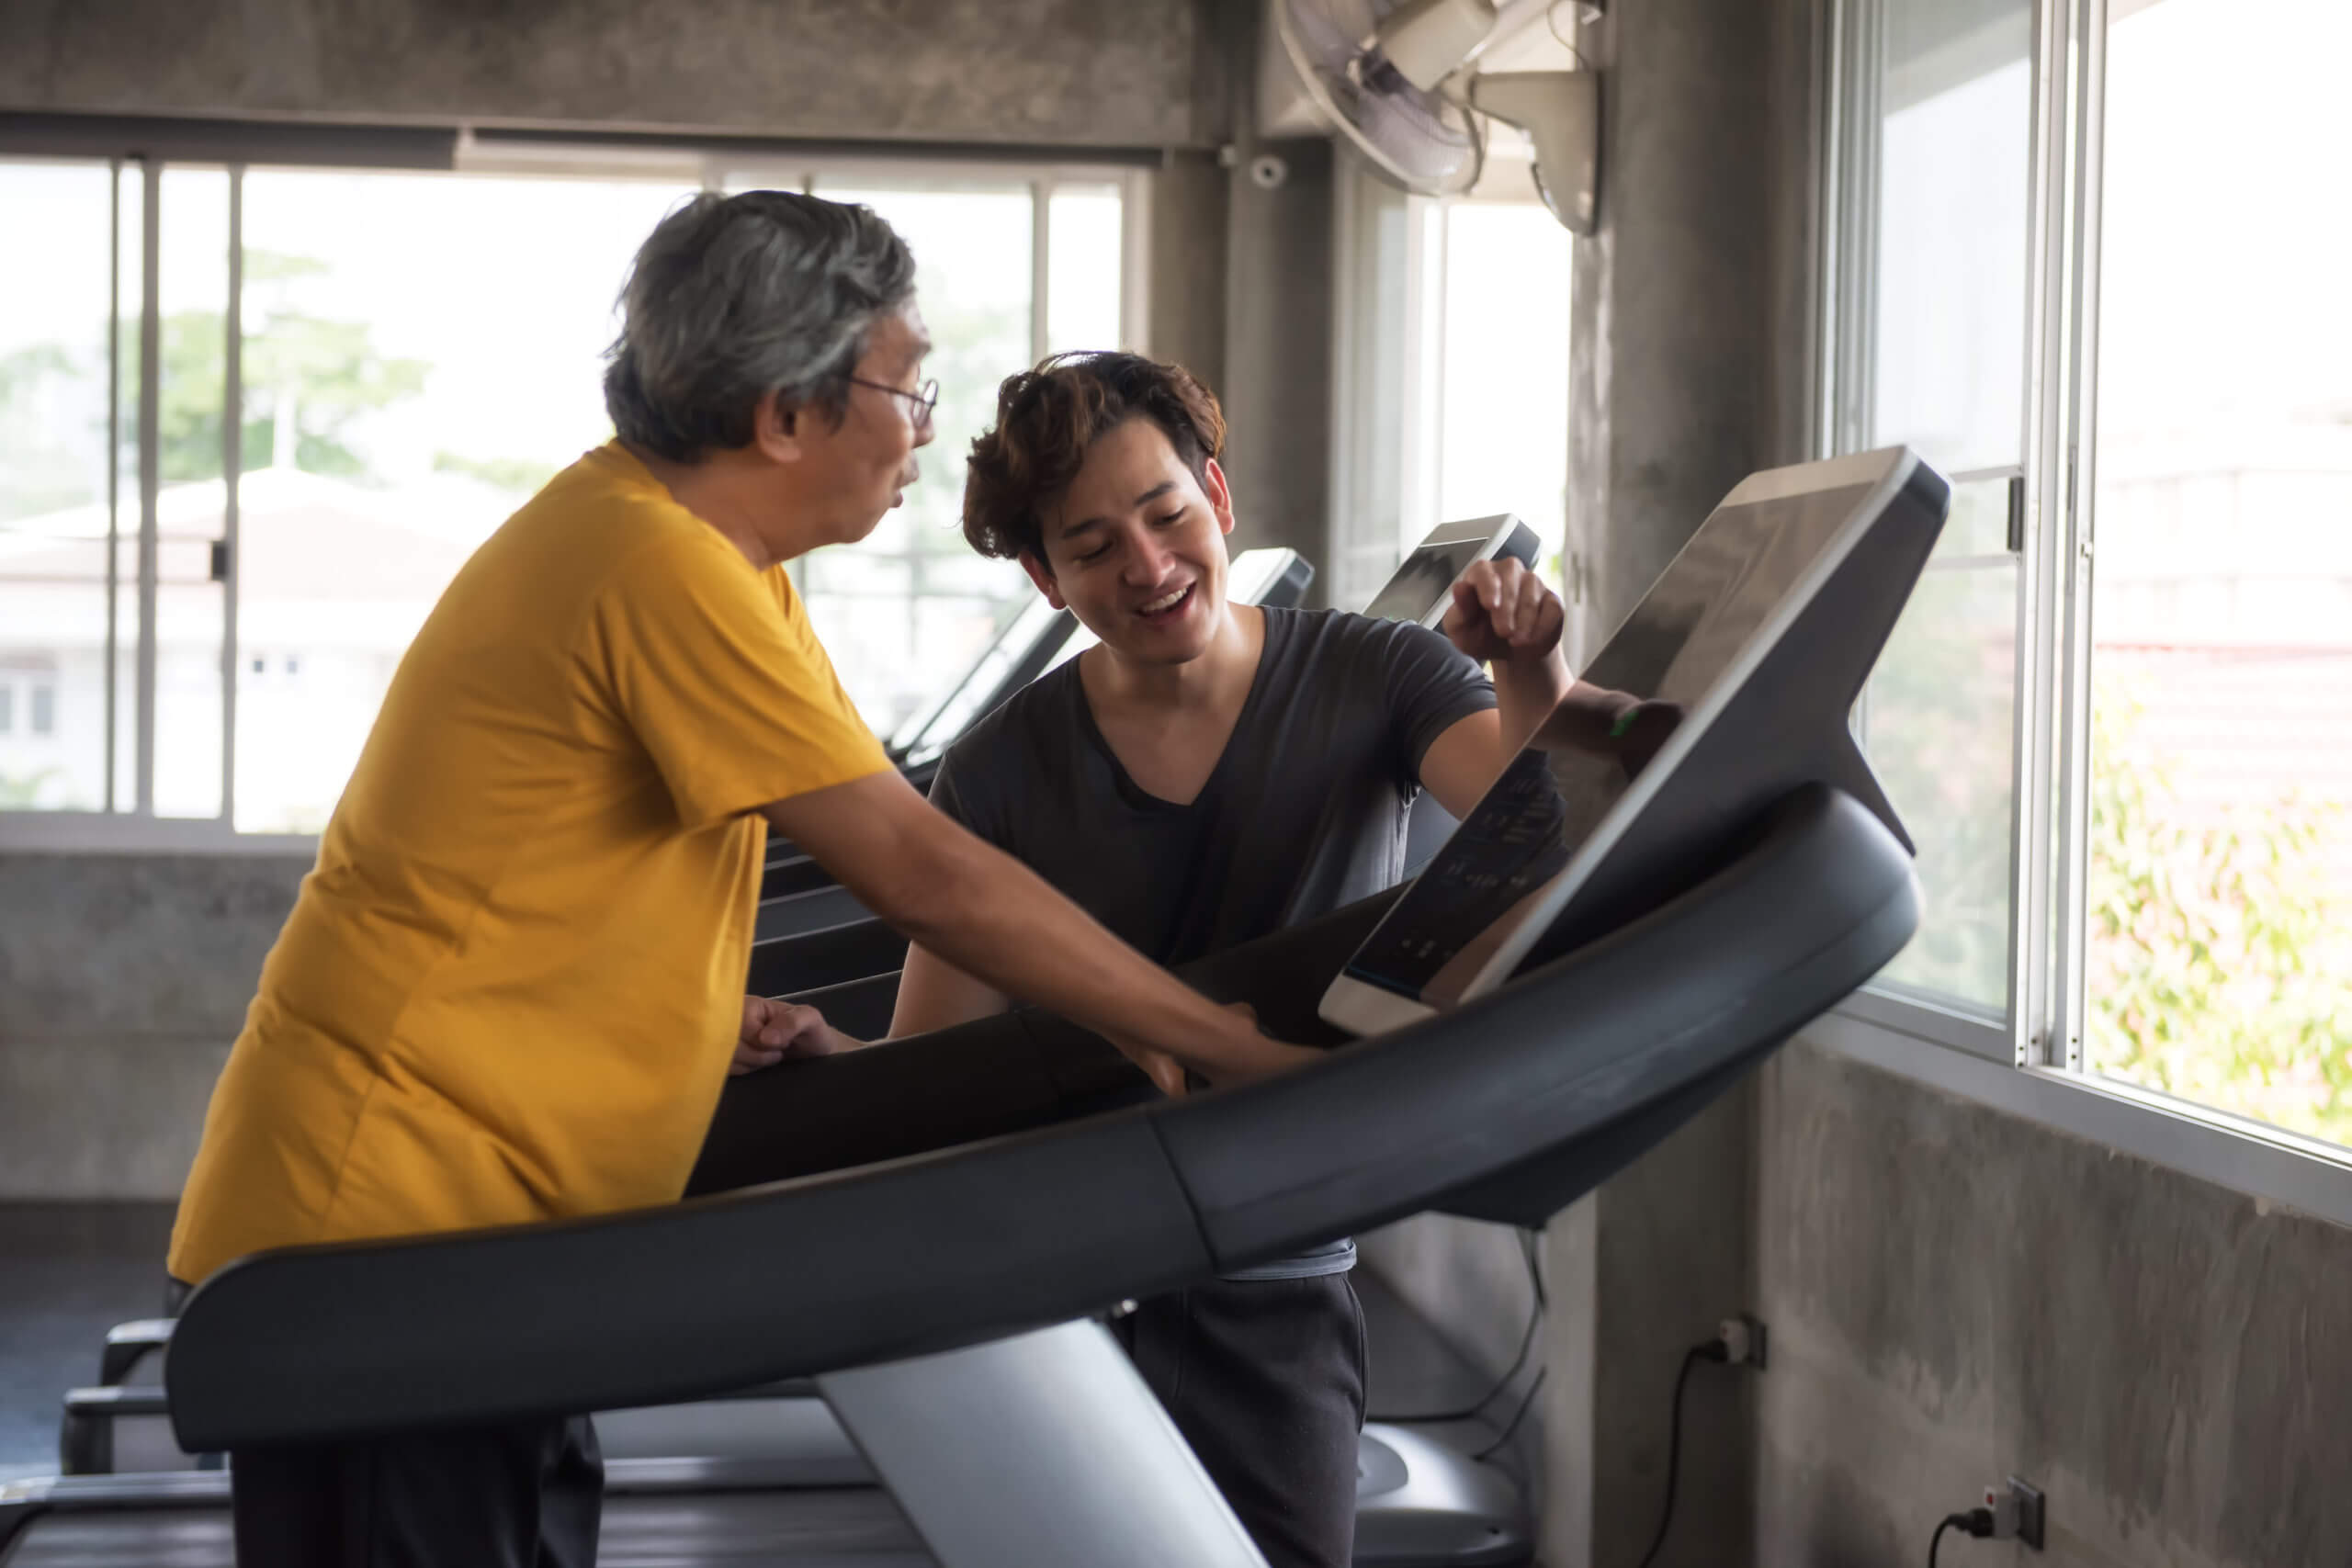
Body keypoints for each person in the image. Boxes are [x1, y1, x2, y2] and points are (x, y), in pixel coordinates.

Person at [164, 195, 1308, 1568]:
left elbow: (597, 866)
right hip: (391, 1224)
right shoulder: (657, 568)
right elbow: (924, 872)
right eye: (906, 387)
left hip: (471, 1225)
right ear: (785, 414)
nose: (925, 428)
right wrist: (1210, 1040)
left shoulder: (692, 554)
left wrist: (696, 1020)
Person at [868, 350, 1578, 1568]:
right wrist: (825, 1061)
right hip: (1067, 1282)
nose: (1148, 567)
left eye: (1167, 515)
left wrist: (1528, 666)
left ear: (1219, 498)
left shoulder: (1379, 673)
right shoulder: (998, 770)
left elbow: (1545, 826)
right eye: (1092, 549)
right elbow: (933, 1067)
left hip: (1272, 1272)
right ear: (1044, 578)